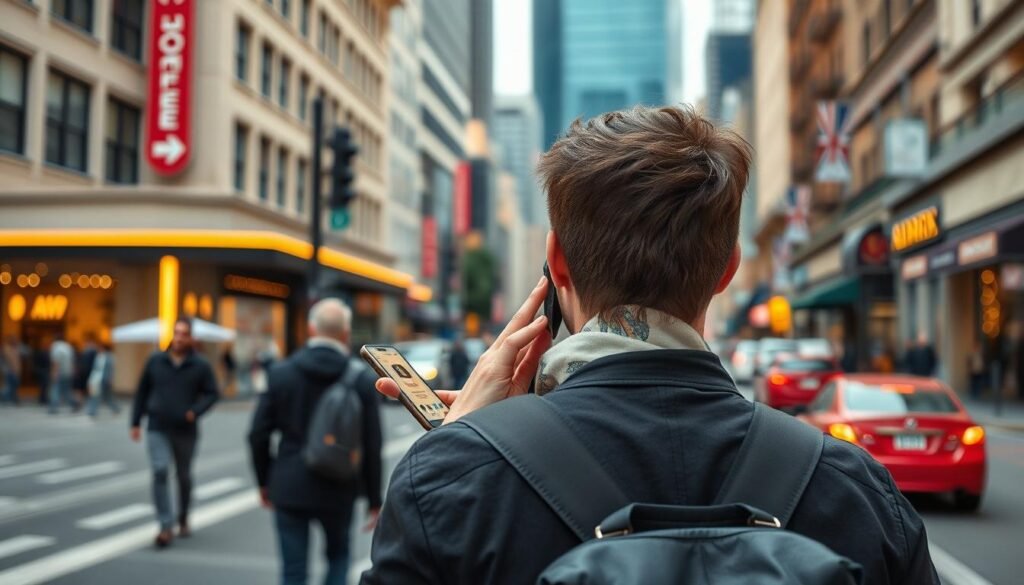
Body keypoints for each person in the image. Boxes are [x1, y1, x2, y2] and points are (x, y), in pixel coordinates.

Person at [361, 106, 938, 584]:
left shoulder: (452, 483)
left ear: (556, 262)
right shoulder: (855, 488)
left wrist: (461, 448)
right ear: (727, 269)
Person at [248, 298, 383, 585]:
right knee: (338, 559)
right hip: (339, 484)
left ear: (311, 329)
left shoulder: (281, 373)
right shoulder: (360, 380)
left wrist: (264, 480)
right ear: (346, 334)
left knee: (293, 570)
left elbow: (258, 433)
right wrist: (374, 499)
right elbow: (372, 443)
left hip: (289, 483)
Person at [131, 318, 220, 548]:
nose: (179, 337)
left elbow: (212, 394)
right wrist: (135, 422)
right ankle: (165, 526)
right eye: (176, 332)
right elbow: (142, 391)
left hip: (185, 429)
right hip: (157, 425)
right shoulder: (155, 360)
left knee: (183, 475)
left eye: (184, 334)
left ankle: (183, 517)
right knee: (160, 470)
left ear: (191, 338)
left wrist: (195, 412)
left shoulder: (200, 365)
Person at [86, 342, 120, 417]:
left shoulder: (110, 357)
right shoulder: (99, 356)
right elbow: (95, 368)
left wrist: (110, 378)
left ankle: (115, 408)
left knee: (106, 396)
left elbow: (111, 369)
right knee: (97, 394)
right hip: (97, 379)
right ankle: (92, 410)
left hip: (105, 379)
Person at [48, 333, 78, 413]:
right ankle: (74, 403)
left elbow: (56, 362)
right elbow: (72, 361)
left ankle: (53, 407)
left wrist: (54, 373)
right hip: (68, 372)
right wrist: (73, 371)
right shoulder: (68, 347)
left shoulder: (55, 347)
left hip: (59, 372)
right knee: (66, 390)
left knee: (55, 389)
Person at [75, 334, 99, 405]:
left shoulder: (91, 351)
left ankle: (88, 401)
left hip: (88, 372)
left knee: (89, 388)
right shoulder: (88, 351)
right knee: (85, 388)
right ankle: (85, 401)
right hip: (85, 372)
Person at [1, 336, 23, 405]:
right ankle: (7, 398)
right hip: (9, 370)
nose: (16, 342)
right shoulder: (7, 348)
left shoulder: (15, 348)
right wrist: (14, 369)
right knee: (9, 386)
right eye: (14, 340)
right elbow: (10, 359)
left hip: (14, 370)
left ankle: (13, 398)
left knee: (13, 385)